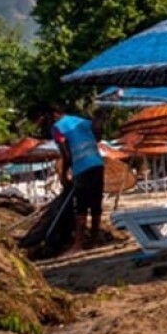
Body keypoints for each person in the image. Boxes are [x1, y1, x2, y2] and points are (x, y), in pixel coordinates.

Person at [51, 109, 104, 255]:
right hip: (97, 163)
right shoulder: (81, 121)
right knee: (96, 205)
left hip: (81, 167)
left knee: (81, 207)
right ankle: (94, 241)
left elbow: (66, 156)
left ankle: (78, 244)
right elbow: (97, 135)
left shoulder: (57, 127)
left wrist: (64, 174)